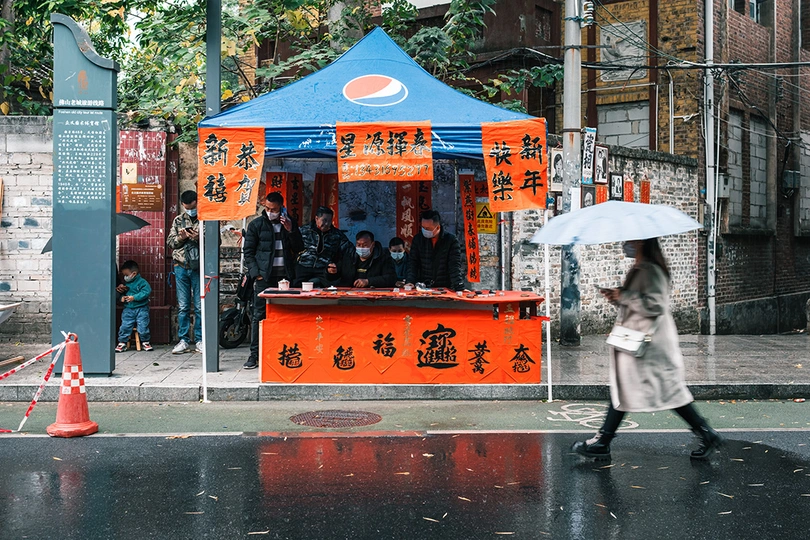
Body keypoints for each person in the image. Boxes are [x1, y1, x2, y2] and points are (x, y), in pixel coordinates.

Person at [573, 238, 723, 460]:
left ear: (642, 242)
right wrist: (619, 295)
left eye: (630, 240)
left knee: (666, 391)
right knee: (627, 387)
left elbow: (655, 305)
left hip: (649, 344)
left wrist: (623, 296)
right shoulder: (642, 268)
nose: (626, 243)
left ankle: (706, 433)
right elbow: (639, 300)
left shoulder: (650, 270)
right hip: (638, 341)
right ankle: (603, 440)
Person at [242, 192, 304, 370]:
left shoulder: (288, 222)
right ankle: (254, 355)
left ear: (281, 207)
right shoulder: (256, 225)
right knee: (258, 315)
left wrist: (291, 230)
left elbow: (299, 248)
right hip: (264, 278)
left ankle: (280, 350)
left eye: (274, 209)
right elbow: (248, 252)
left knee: (284, 313)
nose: (271, 212)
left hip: (285, 277)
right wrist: (256, 274)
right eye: (268, 208)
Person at [167, 190, 202, 354]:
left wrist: (197, 238)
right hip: (181, 266)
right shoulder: (178, 220)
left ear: (197, 202)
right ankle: (183, 340)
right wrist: (181, 238)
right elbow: (170, 243)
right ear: (183, 205)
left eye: (193, 207)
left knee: (200, 306)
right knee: (183, 306)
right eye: (187, 207)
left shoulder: (205, 219)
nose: (190, 210)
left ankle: (201, 339)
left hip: (198, 267)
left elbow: (215, 242)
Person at [405, 210, 464, 291]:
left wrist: (459, 286)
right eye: (423, 228)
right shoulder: (418, 239)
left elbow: (454, 266)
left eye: (428, 228)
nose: (424, 230)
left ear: (438, 227)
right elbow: (413, 262)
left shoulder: (450, 240)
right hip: (422, 287)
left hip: (444, 286)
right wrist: (410, 281)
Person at [294, 206, 352, 287]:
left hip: (324, 266)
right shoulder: (304, 230)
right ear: (316, 218)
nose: (327, 224)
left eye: (329, 221)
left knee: (332, 287)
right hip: (305, 264)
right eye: (324, 220)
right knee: (297, 286)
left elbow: (348, 248)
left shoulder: (336, 234)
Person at [114, 260, 153, 353]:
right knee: (125, 326)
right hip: (128, 309)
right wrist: (121, 297)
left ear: (134, 273)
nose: (125, 277)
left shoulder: (142, 282)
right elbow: (121, 295)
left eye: (126, 275)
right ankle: (122, 342)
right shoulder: (125, 284)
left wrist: (134, 297)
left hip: (141, 308)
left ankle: (145, 341)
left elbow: (146, 292)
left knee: (143, 326)